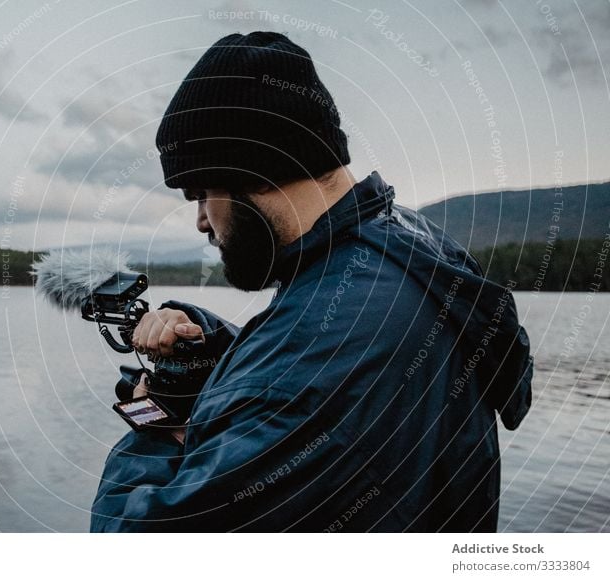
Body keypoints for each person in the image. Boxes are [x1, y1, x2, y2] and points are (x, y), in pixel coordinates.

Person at [90, 31, 533, 532]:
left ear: (253, 169)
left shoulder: (315, 354)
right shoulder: (415, 245)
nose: (200, 221)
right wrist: (209, 355)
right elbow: (325, 381)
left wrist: (151, 423)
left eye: (200, 192)